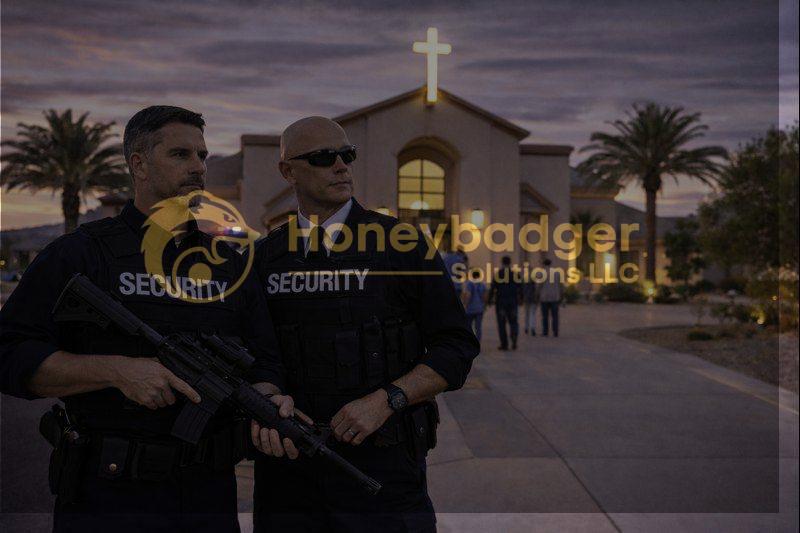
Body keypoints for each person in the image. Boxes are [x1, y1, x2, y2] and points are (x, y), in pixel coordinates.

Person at [0, 106, 289, 533]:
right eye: (180, 154)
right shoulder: (79, 255)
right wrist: (117, 372)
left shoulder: (230, 266)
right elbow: (8, 355)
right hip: (109, 495)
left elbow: (267, 361)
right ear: (138, 164)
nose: (197, 168)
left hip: (206, 496)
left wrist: (267, 400)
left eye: (203, 156)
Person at [251, 116, 479, 532]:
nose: (341, 166)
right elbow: (255, 355)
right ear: (287, 171)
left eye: (346, 154)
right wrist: (266, 401)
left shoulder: (402, 247)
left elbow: (456, 348)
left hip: (382, 475)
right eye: (323, 158)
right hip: (290, 476)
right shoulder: (265, 257)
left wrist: (387, 399)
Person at [488, 255, 522, 350]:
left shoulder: (498, 274)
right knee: (513, 321)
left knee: (501, 323)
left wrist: (489, 300)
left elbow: (493, 288)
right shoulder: (515, 274)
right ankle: (514, 336)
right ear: (510, 263)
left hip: (501, 302)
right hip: (512, 301)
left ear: (502, 263)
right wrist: (521, 299)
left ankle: (504, 344)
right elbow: (520, 287)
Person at [539, 258, 564, 337]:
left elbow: (539, 285)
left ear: (544, 264)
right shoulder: (557, 273)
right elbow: (561, 285)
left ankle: (545, 331)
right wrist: (561, 295)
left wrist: (537, 295)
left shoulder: (542, 273)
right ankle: (555, 331)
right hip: (555, 297)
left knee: (545, 316)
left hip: (544, 297)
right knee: (555, 316)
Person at [462, 269, 487, 341]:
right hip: (479, 308)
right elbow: (485, 296)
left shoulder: (469, 283)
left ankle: (469, 341)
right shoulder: (482, 284)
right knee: (478, 327)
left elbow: (468, 295)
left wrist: (465, 304)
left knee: (469, 326)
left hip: (470, 309)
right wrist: (484, 305)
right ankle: (478, 341)